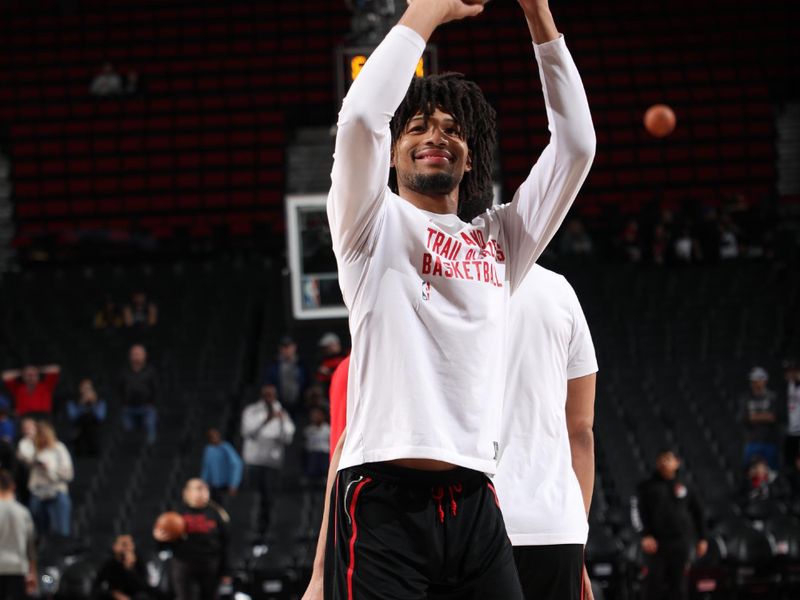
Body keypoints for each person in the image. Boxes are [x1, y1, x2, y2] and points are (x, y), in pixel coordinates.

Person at [304, 0, 595, 597]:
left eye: (452, 129)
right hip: (381, 498)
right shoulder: (369, 224)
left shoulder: (501, 241)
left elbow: (576, 149)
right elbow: (360, 117)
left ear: (472, 154)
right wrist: (426, 13)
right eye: (417, 127)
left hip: (476, 498)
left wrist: (538, 14)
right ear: (392, 152)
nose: (435, 136)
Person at [493, 264, 598, 600]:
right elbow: (581, 431)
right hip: (556, 525)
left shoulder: (445, 282)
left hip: (476, 519)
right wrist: (578, 536)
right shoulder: (559, 290)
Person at [636, 449, 707, 600]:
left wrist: (702, 538)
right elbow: (638, 513)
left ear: (677, 463)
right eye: (660, 459)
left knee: (679, 585)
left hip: (681, 543)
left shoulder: (685, 485)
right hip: (656, 543)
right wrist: (645, 535)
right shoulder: (647, 487)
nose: (663, 462)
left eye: (668, 459)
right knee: (653, 584)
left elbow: (698, 512)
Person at [154, 479, 230, 600]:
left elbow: (225, 543)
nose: (203, 491)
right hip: (183, 563)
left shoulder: (216, 513)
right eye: (198, 488)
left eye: (205, 488)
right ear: (187, 492)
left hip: (210, 564)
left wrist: (226, 570)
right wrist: (159, 539)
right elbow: (163, 545)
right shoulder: (175, 512)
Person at [240, 385, 295, 538]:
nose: (270, 397)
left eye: (272, 394)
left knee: (269, 499)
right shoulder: (252, 411)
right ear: (262, 395)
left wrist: (282, 420)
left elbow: (287, 438)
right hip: (254, 461)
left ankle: (266, 532)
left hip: (272, 464)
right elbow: (247, 432)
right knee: (253, 498)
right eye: (267, 394)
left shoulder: (282, 413)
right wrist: (267, 419)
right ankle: (250, 529)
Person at [28, 421, 73, 537]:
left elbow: (68, 474)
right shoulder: (36, 451)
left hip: (57, 491)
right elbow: (33, 478)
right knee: (39, 532)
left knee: (62, 532)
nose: (41, 438)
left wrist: (49, 469)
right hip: (39, 492)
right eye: (39, 435)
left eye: (43, 435)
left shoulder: (59, 448)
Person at [0, 470, 37, 600]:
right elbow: (30, 547)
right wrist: (33, 573)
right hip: (18, 568)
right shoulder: (23, 512)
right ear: (13, 486)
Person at [93, 534, 157, 600]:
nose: (128, 548)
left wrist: (129, 568)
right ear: (115, 547)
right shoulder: (109, 564)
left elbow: (143, 586)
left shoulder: (139, 561)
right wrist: (114, 594)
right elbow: (97, 586)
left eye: (131, 544)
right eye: (124, 545)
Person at [741, 366, 780, 470]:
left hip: (769, 441)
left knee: (772, 472)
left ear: (764, 380)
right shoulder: (747, 398)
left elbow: (773, 417)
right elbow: (746, 418)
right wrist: (765, 416)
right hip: (752, 441)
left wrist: (755, 417)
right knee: (749, 471)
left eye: (757, 380)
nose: (754, 383)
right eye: (753, 381)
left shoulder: (772, 397)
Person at [119, 344, 159, 444]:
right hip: (129, 408)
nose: (136, 356)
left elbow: (156, 389)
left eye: (138, 354)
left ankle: (150, 446)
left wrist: (151, 402)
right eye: (134, 354)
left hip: (147, 407)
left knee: (150, 430)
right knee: (127, 434)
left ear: (144, 356)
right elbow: (119, 389)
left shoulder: (151, 371)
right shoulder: (124, 372)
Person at [263, 336, 307, 417]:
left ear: (294, 347)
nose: (286, 350)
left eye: (288, 346)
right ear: (280, 349)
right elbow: (269, 384)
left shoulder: (302, 364)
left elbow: (306, 382)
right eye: (284, 347)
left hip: (298, 404)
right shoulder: (274, 364)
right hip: (280, 403)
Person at [200, 428, 243, 506]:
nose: (213, 438)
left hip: (226, 485)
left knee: (224, 507)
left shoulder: (226, 448)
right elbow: (206, 467)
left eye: (215, 436)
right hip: (213, 486)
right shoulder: (208, 450)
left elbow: (236, 465)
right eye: (211, 437)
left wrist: (234, 484)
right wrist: (203, 482)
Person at [65, 378, 107, 457]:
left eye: (89, 388)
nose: (86, 391)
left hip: (95, 439)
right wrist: (81, 404)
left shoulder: (100, 402)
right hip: (79, 439)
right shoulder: (73, 401)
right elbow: (73, 417)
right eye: (84, 388)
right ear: (79, 389)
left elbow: (100, 417)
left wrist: (94, 403)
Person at [303, 407, 330, 479]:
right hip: (312, 454)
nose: (316, 417)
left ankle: (325, 477)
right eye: (314, 415)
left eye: (319, 415)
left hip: (325, 454)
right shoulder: (308, 430)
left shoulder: (328, 429)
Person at [783, 358, 800, 466]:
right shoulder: (786, 386)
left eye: (791, 371)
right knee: (789, 465)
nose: (789, 374)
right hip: (790, 432)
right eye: (787, 371)